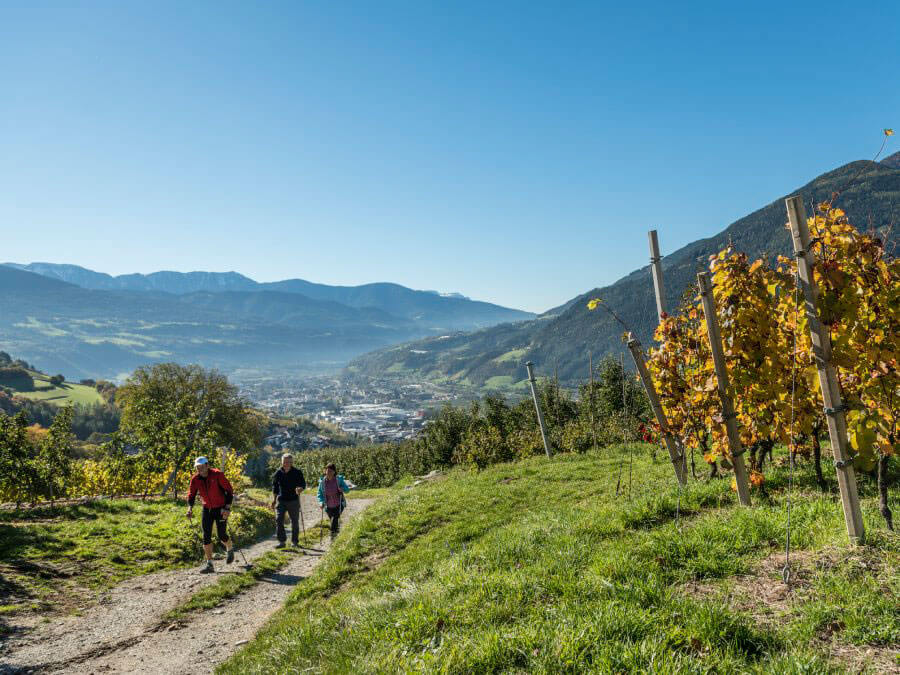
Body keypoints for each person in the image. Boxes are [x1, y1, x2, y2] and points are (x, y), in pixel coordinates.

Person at [186, 456, 234, 573]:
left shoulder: (217, 475)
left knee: (221, 535)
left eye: (201, 466)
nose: (199, 469)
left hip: (221, 508)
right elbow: (191, 495)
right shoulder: (195, 479)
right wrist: (189, 509)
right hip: (207, 509)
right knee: (206, 536)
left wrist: (227, 508)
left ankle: (230, 548)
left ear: (207, 465)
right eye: (197, 467)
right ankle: (210, 564)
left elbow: (229, 491)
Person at [270, 453, 306, 548]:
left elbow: (303, 484)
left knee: (294, 521)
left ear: (291, 462)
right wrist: (274, 500)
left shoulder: (297, 472)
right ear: (282, 462)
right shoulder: (278, 473)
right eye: (284, 462)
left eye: (288, 462)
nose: (286, 464)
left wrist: (300, 489)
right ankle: (282, 542)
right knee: (278, 520)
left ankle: (295, 542)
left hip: (293, 500)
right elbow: (275, 487)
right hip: (281, 500)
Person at [317, 463, 352, 538]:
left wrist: (342, 489)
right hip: (328, 506)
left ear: (334, 472)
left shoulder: (338, 480)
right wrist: (321, 502)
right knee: (333, 520)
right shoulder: (322, 482)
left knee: (334, 519)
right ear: (325, 471)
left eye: (330, 471)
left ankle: (333, 536)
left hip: (339, 504)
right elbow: (319, 494)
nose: (328, 472)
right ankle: (337, 533)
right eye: (327, 470)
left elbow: (347, 490)